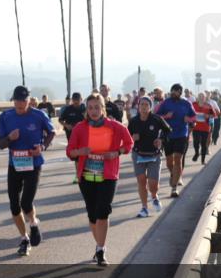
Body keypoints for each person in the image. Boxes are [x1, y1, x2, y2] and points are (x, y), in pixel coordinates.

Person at [67, 92, 134, 266]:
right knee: (92, 214)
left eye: (97, 107)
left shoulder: (115, 126)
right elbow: (70, 151)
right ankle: (99, 245)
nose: (93, 111)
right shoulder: (80, 128)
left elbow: (129, 143)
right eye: (90, 108)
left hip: (108, 176)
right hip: (87, 176)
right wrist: (80, 152)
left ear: (103, 108)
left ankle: (100, 249)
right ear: (86, 110)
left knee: (103, 211)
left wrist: (116, 152)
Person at [0, 85, 55, 257]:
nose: (20, 104)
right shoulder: (6, 116)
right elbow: (0, 144)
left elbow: (51, 132)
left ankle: (33, 224)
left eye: (23, 101)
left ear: (29, 100)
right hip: (14, 165)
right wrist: (9, 138)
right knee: (14, 205)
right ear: (13, 101)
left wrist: (42, 147)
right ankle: (24, 238)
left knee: (26, 203)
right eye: (17, 101)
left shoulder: (39, 115)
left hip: (33, 164)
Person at [128, 96, 172, 217]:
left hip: (154, 155)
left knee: (153, 185)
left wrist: (160, 139)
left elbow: (168, 130)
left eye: (146, 105)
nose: (143, 107)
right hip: (138, 154)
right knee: (141, 181)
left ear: (150, 107)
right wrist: (132, 138)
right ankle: (144, 208)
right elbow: (127, 136)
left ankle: (154, 196)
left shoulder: (157, 119)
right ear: (138, 107)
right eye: (141, 104)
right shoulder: (134, 121)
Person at [155, 84, 197, 198]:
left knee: (178, 159)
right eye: (172, 90)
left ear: (180, 92)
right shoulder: (165, 103)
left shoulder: (186, 103)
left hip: (181, 134)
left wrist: (188, 119)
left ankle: (174, 188)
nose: (173, 93)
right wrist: (166, 116)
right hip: (168, 135)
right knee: (169, 162)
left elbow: (194, 117)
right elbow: (156, 116)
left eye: (175, 91)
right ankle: (174, 174)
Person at [58, 93, 87, 183]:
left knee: (84, 155)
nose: (76, 102)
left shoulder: (85, 109)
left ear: (81, 99)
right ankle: (78, 175)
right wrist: (67, 125)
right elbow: (60, 120)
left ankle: (83, 174)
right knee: (76, 156)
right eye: (74, 100)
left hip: (84, 135)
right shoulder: (68, 109)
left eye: (77, 100)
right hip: (71, 136)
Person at [191, 93, 215, 164]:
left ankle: (203, 160)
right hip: (196, 127)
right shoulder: (193, 105)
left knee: (203, 144)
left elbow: (214, 115)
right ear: (197, 97)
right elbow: (188, 112)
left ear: (205, 98)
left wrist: (208, 116)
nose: (201, 98)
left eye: (203, 97)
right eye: (200, 96)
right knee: (196, 142)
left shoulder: (208, 105)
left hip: (205, 128)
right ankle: (196, 153)